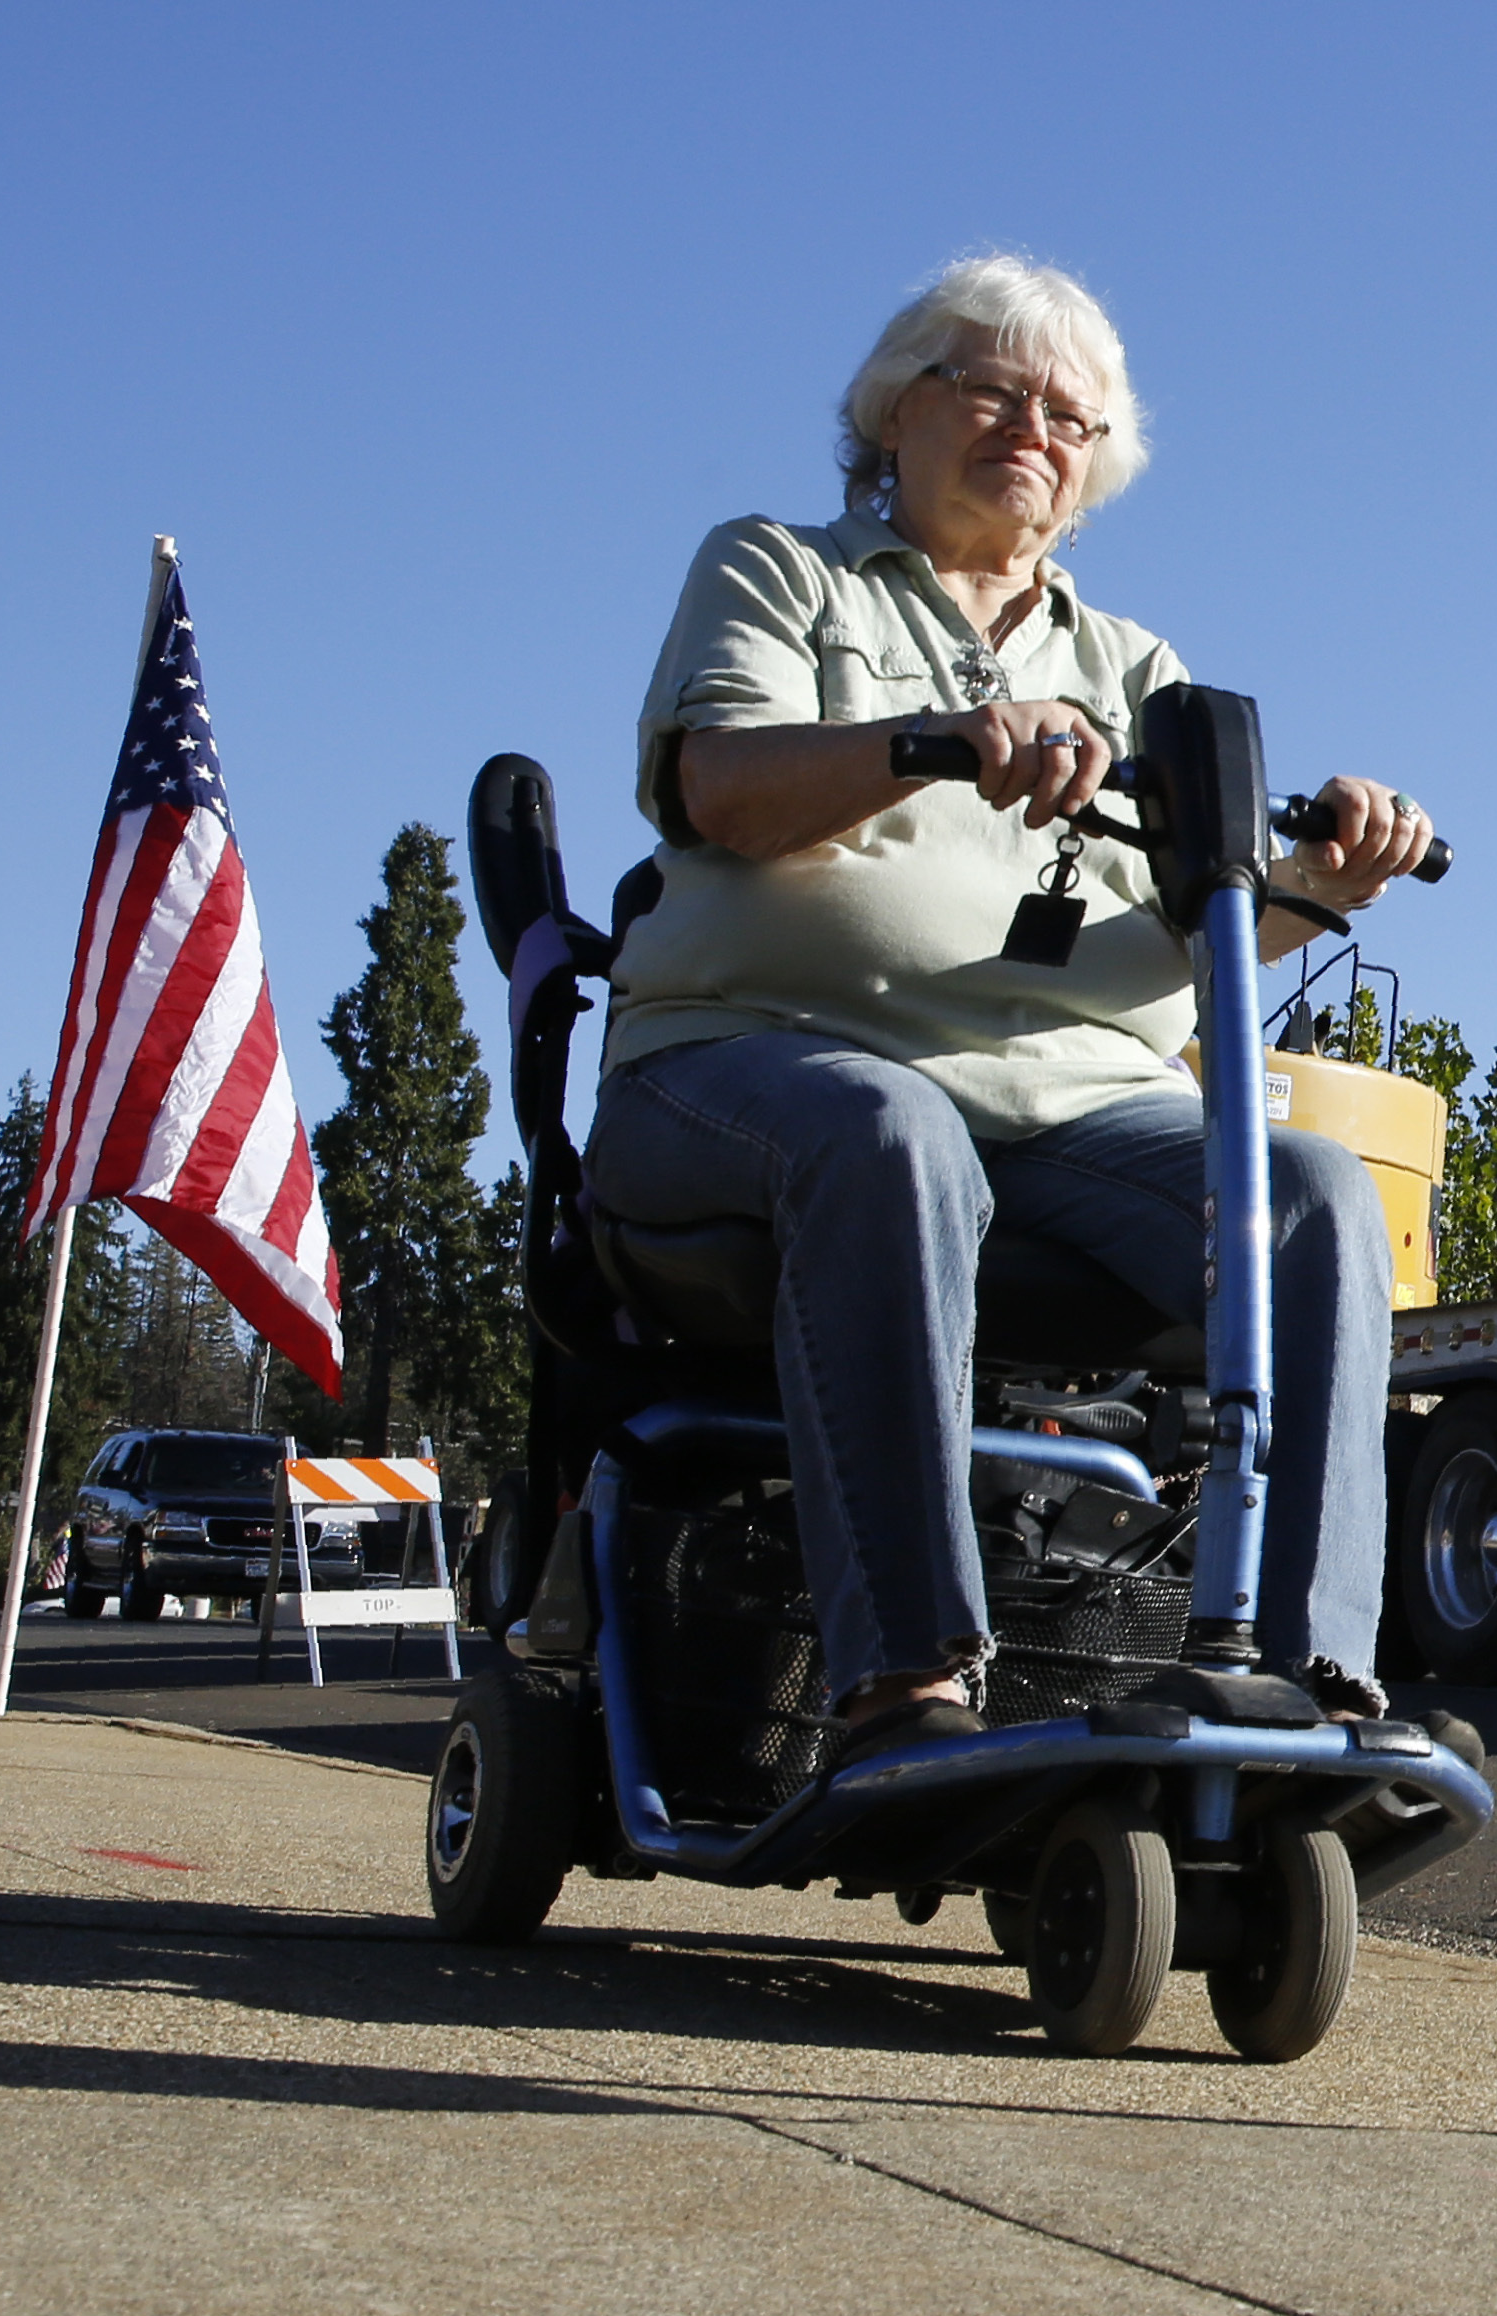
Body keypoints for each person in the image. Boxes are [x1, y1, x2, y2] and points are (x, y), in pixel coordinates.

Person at [588, 256, 1438, 1764]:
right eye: (993, 387)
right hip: (752, 1060)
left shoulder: (1136, 672)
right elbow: (721, 785)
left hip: (1068, 1108)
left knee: (1310, 1189)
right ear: (897, 409)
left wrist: (1318, 881)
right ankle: (904, 1682)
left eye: (1071, 415)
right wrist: (935, 742)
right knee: (889, 1129)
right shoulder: (781, 569)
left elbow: (1189, 948)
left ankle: (1302, 1681)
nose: (1034, 428)